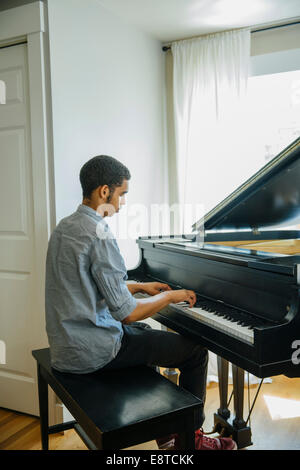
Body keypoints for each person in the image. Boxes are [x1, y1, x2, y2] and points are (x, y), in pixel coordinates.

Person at [45, 155, 237, 450]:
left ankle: (166, 427)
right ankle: (191, 438)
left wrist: (138, 286)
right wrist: (170, 296)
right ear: (104, 192)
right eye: (121, 194)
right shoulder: (99, 235)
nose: (121, 205)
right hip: (93, 354)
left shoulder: (64, 227)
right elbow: (127, 314)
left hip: (65, 347)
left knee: (147, 337)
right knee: (196, 352)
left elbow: (88, 287)